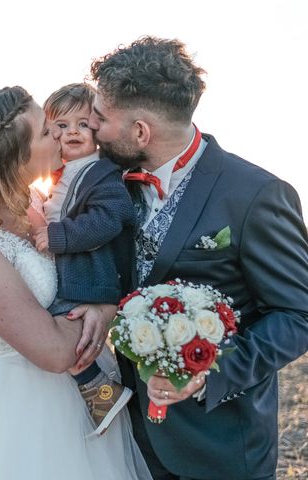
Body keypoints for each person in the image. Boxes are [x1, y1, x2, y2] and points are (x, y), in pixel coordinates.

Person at [0, 86, 151, 479]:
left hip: (92, 399)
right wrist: (105, 304)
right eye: (44, 130)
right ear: (14, 158)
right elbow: (53, 352)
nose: (57, 132)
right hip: (22, 416)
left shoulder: (38, 206)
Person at [87, 36, 308, 480]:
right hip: (131, 439)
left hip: (220, 444)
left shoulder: (256, 195)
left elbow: (298, 314)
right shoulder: (109, 184)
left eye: (101, 117)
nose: (92, 127)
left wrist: (208, 372)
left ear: (140, 131)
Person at [28, 83, 135, 435]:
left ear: (97, 131)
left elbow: (109, 218)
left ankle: (103, 393)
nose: (72, 131)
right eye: (60, 126)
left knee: (66, 335)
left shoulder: (101, 173)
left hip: (90, 278)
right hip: (70, 275)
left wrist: (58, 236)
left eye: (82, 124)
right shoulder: (59, 176)